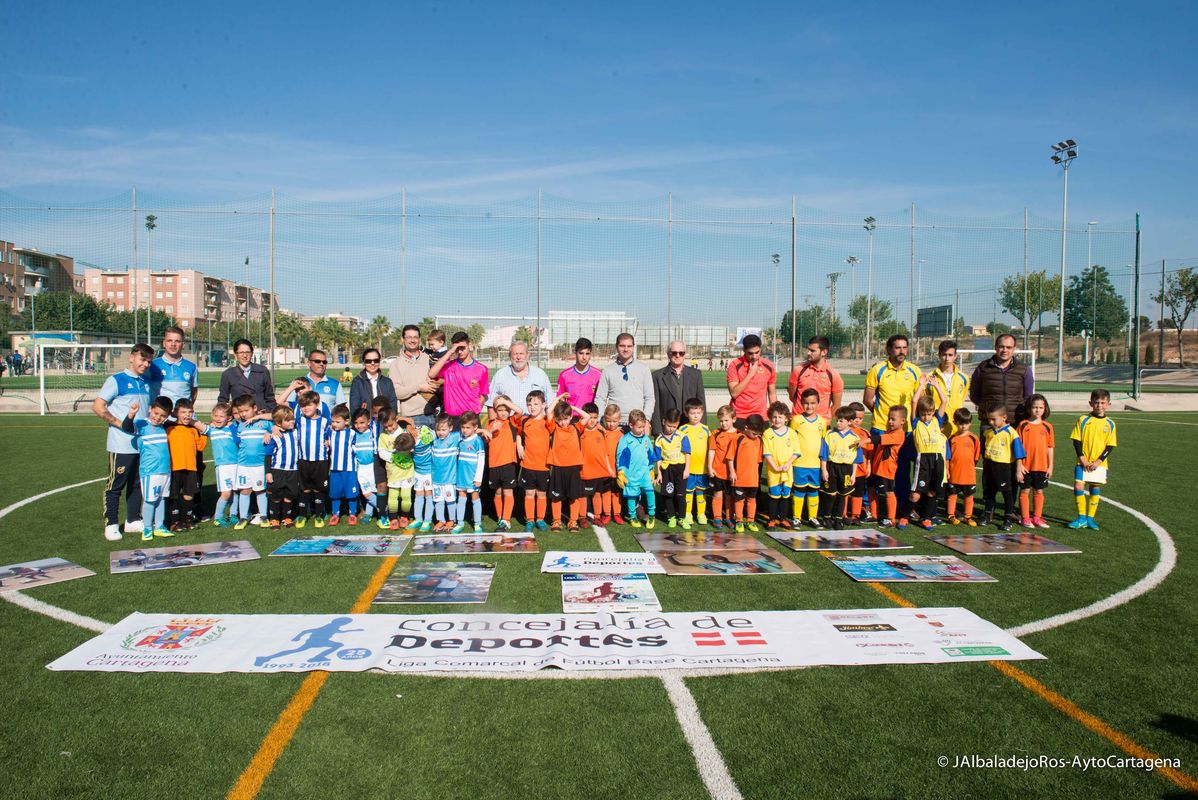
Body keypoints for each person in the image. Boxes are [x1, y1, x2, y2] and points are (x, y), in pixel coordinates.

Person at [93, 343, 154, 541]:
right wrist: (120, 424)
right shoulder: (116, 380)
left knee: (137, 484)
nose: (145, 364)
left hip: (141, 444)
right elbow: (98, 406)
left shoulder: (146, 382)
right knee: (115, 484)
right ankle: (111, 524)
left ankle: (132, 520)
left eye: (149, 361)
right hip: (121, 444)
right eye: (142, 359)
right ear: (132, 357)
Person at [120, 396, 176, 540]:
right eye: (156, 413)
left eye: (163, 415)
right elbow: (126, 427)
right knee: (150, 500)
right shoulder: (142, 424)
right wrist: (131, 413)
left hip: (165, 470)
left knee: (161, 499)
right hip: (150, 471)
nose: (158, 418)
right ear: (150, 409)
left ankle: (159, 526)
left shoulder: (164, 427)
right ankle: (147, 528)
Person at [898, 385, 949, 532]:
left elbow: (944, 401)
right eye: (923, 414)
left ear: (933, 412)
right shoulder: (916, 423)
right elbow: (914, 401)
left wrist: (936, 385)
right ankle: (904, 516)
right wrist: (921, 385)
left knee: (932, 491)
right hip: (923, 460)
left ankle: (926, 518)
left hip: (937, 459)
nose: (926, 417)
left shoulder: (937, 421)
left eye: (929, 414)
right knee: (915, 494)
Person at [1068, 389, 1117, 530]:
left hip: (1099, 464)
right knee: (1078, 486)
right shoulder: (1083, 420)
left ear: (1108, 404)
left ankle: (1090, 518)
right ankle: (1081, 518)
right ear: (1091, 403)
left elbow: (1110, 446)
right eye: (1096, 402)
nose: (1099, 405)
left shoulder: (1110, 424)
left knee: (1094, 488)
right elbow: (1076, 441)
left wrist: (1098, 461)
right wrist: (1082, 459)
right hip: (1082, 462)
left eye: (1102, 402)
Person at [968, 333, 1034, 427]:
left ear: (1014, 348)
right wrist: (987, 408)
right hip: (990, 422)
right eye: (1001, 347)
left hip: (1016, 421)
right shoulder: (983, 368)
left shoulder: (1024, 369)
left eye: (1008, 347)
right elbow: (974, 394)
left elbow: (1028, 397)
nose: (1004, 350)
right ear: (996, 348)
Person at [980, 404, 1026, 531]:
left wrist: (1018, 470)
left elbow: (1019, 454)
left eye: (994, 419)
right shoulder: (988, 432)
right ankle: (988, 514)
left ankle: (1008, 518)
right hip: (990, 466)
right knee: (989, 492)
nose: (991, 422)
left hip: (1004, 468)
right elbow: (984, 450)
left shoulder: (1011, 433)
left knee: (1007, 494)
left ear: (1004, 417)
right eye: (989, 419)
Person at [863, 334, 922, 433]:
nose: (902, 351)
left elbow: (920, 399)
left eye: (904, 348)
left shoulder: (915, 371)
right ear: (889, 350)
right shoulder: (877, 370)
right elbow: (867, 400)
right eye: (898, 348)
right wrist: (880, 414)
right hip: (882, 427)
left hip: (906, 427)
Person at [547, 397, 590, 531]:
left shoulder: (577, 427)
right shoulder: (554, 428)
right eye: (559, 419)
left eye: (565, 419)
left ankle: (573, 521)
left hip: (573, 468)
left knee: (574, 496)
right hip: (558, 468)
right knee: (556, 497)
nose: (563, 422)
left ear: (571, 417)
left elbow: (587, 416)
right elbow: (549, 412)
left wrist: (573, 408)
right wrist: (558, 399)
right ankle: (557, 521)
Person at [231, 394, 273, 529]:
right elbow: (239, 442)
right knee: (245, 491)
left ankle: (263, 516)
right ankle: (243, 517)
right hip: (243, 465)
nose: (243, 414)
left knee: (260, 491)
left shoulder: (265, 423)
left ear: (254, 408)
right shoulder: (240, 426)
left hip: (260, 465)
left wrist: (270, 433)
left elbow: (276, 418)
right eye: (240, 412)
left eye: (246, 410)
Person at [819, 406, 865, 530]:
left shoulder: (855, 438)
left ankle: (839, 519)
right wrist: (824, 470)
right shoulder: (829, 435)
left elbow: (856, 459)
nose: (838, 423)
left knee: (842, 496)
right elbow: (823, 454)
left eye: (841, 421)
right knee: (830, 495)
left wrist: (854, 474)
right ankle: (827, 518)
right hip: (832, 467)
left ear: (849, 422)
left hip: (846, 470)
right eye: (837, 420)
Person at [165, 398, 207, 530]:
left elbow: (200, 447)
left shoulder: (193, 430)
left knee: (189, 495)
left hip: (191, 467)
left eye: (190, 412)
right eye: (183, 412)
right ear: (176, 413)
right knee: (174, 494)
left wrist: (204, 433)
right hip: (174, 467)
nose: (187, 415)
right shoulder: (169, 428)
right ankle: (174, 521)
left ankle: (185, 520)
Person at [290, 390, 330, 529]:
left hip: (320, 461)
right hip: (303, 461)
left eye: (309, 405)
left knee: (319, 489)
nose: (306, 408)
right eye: (302, 406)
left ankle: (319, 515)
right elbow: (282, 423)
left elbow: (332, 436)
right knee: (304, 489)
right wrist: (275, 428)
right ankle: (302, 515)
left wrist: (329, 442)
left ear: (317, 405)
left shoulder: (325, 422)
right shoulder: (298, 421)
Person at [596, 333, 654, 425]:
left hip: (637, 424)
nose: (626, 349)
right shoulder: (607, 370)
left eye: (629, 346)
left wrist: (646, 420)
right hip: (614, 424)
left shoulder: (644, 369)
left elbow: (649, 398)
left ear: (633, 347)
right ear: (616, 347)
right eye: (622, 346)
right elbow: (600, 398)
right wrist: (600, 420)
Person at [428, 332, 489, 419]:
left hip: (471, 419)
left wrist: (475, 413)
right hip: (452, 418)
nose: (459, 352)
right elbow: (431, 374)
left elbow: (483, 394)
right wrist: (450, 352)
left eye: (462, 348)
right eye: (457, 349)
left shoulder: (482, 369)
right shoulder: (448, 366)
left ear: (470, 345)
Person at [789, 388, 827, 527]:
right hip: (799, 463)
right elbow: (791, 440)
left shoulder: (822, 422)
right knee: (799, 490)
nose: (809, 406)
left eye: (812, 403)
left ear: (818, 403)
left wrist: (824, 465)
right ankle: (796, 517)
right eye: (806, 403)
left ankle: (812, 517)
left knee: (813, 490)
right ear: (801, 403)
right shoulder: (796, 420)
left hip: (816, 464)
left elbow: (824, 444)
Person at [651, 340, 706, 435]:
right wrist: (657, 431)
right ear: (668, 354)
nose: (677, 355)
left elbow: (701, 402)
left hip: (691, 429)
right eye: (674, 352)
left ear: (685, 354)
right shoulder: (657, 376)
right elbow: (655, 406)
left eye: (681, 353)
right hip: (668, 429)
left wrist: (703, 428)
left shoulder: (695, 374)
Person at [616, 409, 659, 528]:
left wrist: (651, 470)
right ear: (631, 425)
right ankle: (632, 516)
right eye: (639, 427)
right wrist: (621, 472)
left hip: (645, 474)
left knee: (650, 494)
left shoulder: (646, 439)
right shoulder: (625, 440)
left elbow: (650, 455)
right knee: (632, 496)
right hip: (631, 475)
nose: (642, 430)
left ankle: (651, 516)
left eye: (643, 427)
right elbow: (621, 457)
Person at [1017, 394, 1054, 529]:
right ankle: (1025, 518)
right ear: (1029, 408)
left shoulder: (1048, 426)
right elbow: (1018, 448)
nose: (1037, 410)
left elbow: (1050, 447)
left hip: (1042, 466)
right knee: (1025, 491)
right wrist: (1020, 465)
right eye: (1034, 407)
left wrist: (1050, 467)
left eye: (1040, 407)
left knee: (1039, 491)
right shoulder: (1023, 425)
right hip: (1026, 467)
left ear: (1045, 409)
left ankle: (1037, 518)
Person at [761, 401, 800, 530]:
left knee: (785, 495)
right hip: (774, 471)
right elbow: (767, 453)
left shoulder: (792, 433)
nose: (777, 420)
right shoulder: (767, 433)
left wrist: (788, 464)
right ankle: (772, 519)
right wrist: (775, 467)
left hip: (787, 471)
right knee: (774, 495)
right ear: (770, 418)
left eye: (780, 417)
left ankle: (783, 519)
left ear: (786, 418)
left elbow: (796, 452)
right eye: (774, 417)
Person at [516, 390, 552, 531]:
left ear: (543, 404)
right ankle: (530, 520)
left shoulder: (547, 421)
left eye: (536, 404)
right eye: (529, 404)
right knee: (529, 493)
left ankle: (540, 519)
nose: (532, 407)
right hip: (528, 465)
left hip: (543, 466)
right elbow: (519, 433)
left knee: (541, 494)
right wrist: (519, 445)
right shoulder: (525, 420)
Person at [389, 324, 437, 429]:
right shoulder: (396, 364)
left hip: (435, 414)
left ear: (419, 339)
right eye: (409, 337)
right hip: (412, 418)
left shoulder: (429, 359)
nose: (412, 340)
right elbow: (396, 393)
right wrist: (419, 387)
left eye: (415, 337)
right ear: (402, 339)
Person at [787, 336, 843, 422]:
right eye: (808, 349)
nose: (808, 353)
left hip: (821, 426)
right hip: (798, 423)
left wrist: (823, 421)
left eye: (812, 351)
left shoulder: (833, 375)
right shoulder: (798, 370)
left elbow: (836, 404)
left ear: (824, 352)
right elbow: (792, 396)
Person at [486, 395, 521, 531]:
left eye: (506, 409)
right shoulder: (491, 423)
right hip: (494, 464)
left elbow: (520, 411)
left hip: (508, 463)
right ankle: (501, 517)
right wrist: (490, 430)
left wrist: (505, 401)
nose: (503, 412)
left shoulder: (512, 421)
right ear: (495, 410)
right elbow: (485, 440)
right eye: (500, 410)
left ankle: (506, 520)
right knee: (498, 493)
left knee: (508, 492)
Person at [868, 407, 907, 528]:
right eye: (889, 418)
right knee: (871, 489)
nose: (890, 421)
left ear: (902, 421)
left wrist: (863, 440)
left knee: (888, 492)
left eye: (893, 419)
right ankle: (874, 515)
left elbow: (878, 439)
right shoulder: (888, 432)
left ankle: (891, 519)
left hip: (886, 469)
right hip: (876, 468)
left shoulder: (899, 435)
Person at [489, 340, 553, 414]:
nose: (518, 357)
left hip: (535, 423)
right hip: (509, 423)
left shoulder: (540, 375)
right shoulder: (500, 375)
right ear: (510, 356)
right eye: (515, 354)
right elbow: (490, 404)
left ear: (527, 355)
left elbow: (549, 403)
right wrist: (493, 423)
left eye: (521, 353)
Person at [377, 409, 416, 530]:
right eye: (385, 426)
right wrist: (392, 457)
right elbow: (381, 452)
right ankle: (393, 518)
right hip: (393, 472)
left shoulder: (405, 432)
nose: (389, 428)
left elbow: (413, 444)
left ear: (396, 420)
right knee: (392, 497)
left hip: (407, 471)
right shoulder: (383, 436)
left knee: (406, 496)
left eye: (391, 425)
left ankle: (404, 516)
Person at [727, 413, 766, 533]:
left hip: (753, 479)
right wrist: (732, 472)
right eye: (754, 433)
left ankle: (750, 520)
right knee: (739, 500)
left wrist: (756, 477)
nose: (756, 436)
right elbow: (730, 458)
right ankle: (739, 521)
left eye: (758, 434)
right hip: (739, 478)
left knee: (752, 500)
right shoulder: (737, 439)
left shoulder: (759, 440)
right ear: (746, 428)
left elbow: (758, 461)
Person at [726, 334, 777, 424]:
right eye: (750, 353)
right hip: (739, 416)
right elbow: (734, 393)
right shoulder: (734, 365)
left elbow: (772, 394)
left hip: (761, 416)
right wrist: (750, 374)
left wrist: (776, 414)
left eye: (757, 352)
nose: (754, 356)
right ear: (744, 350)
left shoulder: (769, 366)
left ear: (760, 349)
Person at [654, 408, 690, 529]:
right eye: (669, 425)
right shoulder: (659, 439)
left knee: (681, 495)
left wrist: (687, 469)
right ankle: (672, 517)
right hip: (667, 470)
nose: (671, 428)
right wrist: (659, 473)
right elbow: (658, 458)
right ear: (664, 422)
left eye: (674, 426)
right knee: (668, 494)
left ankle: (682, 518)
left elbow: (687, 453)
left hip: (680, 469)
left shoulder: (682, 436)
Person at [579, 402, 614, 526]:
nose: (592, 421)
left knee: (597, 494)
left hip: (598, 471)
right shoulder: (580, 432)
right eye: (590, 417)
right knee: (582, 494)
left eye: (595, 418)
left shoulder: (601, 432)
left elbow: (604, 453)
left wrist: (609, 469)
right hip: (584, 470)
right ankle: (582, 517)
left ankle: (597, 516)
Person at [945, 408, 982, 526]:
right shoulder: (951, 439)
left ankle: (968, 516)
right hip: (954, 473)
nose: (963, 426)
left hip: (968, 474)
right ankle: (951, 515)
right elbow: (947, 457)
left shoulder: (974, 438)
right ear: (955, 423)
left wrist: (970, 467)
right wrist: (947, 470)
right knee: (952, 495)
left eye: (966, 423)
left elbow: (976, 457)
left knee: (968, 496)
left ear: (970, 423)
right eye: (961, 423)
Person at [265, 406, 300, 528]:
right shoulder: (274, 436)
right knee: (276, 495)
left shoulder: (295, 432)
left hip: (292, 470)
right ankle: (274, 519)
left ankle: (287, 518)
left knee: (289, 495)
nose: (292, 422)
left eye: (292, 419)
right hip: (278, 470)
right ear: (279, 423)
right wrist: (268, 472)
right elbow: (268, 455)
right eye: (288, 420)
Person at [678, 398, 711, 528]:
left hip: (702, 469)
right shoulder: (683, 429)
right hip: (688, 469)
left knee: (701, 492)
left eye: (698, 412)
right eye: (692, 413)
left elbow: (711, 449)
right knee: (688, 492)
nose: (696, 415)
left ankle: (701, 514)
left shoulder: (706, 430)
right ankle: (688, 513)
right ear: (687, 414)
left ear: (702, 413)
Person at [218, 339, 276, 412]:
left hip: (261, 417)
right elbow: (222, 400)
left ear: (252, 353)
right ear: (235, 354)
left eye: (247, 352)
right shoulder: (228, 374)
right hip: (240, 418)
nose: (245, 355)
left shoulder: (262, 371)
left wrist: (269, 414)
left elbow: (270, 398)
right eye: (241, 352)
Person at [285, 349, 347, 418]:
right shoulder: (299, 382)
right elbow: (287, 408)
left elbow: (342, 410)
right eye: (317, 361)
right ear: (309, 363)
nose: (321, 364)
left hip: (327, 427)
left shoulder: (335, 384)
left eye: (324, 362)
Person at [148, 326, 199, 408]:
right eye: (169, 340)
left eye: (177, 341)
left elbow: (194, 393)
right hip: (161, 418)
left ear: (183, 345)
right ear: (164, 343)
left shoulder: (191, 367)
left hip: (183, 418)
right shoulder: (153, 365)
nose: (173, 344)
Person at [926, 340, 970, 436]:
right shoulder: (930, 377)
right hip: (938, 426)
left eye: (950, 355)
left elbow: (961, 399)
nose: (947, 358)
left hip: (957, 426)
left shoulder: (964, 378)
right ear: (939, 355)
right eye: (944, 355)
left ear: (955, 356)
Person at [208, 403, 241, 527]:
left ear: (229, 418)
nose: (217, 418)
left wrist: (232, 426)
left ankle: (233, 514)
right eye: (215, 415)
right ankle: (218, 517)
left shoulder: (232, 429)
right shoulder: (212, 430)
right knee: (226, 493)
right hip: (223, 466)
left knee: (235, 491)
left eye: (221, 416)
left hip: (236, 464)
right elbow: (198, 425)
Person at [325, 405, 359, 525]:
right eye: (333, 421)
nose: (334, 424)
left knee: (351, 493)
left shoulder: (352, 433)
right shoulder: (330, 432)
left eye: (338, 422)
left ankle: (352, 513)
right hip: (334, 469)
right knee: (335, 493)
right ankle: (335, 514)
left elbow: (356, 448)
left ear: (346, 421)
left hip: (349, 469)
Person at [454, 412, 487, 533]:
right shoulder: (460, 439)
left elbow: (481, 461)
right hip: (461, 476)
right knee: (461, 498)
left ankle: (477, 523)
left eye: (468, 428)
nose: (465, 430)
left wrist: (478, 478)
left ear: (475, 428)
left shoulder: (478, 441)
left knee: (475, 498)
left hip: (473, 477)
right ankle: (460, 523)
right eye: (463, 427)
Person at [430, 413, 461, 531]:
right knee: (438, 500)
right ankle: (441, 520)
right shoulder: (434, 440)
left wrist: (483, 431)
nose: (441, 432)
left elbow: (468, 432)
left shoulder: (454, 438)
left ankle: (451, 520)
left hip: (450, 479)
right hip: (436, 479)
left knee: (450, 500)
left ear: (451, 428)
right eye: (438, 430)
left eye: (443, 430)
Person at [708, 406, 737, 530]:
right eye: (721, 421)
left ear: (733, 419)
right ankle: (717, 518)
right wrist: (709, 466)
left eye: (726, 420)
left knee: (730, 496)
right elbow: (711, 451)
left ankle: (729, 517)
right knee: (718, 494)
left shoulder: (739, 434)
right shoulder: (715, 433)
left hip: (732, 473)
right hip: (718, 470)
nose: (723, 423)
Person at [351, 408, 380, 524]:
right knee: (366, 492)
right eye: (356, 423)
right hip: (361, 468)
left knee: (372, 491)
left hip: (372, 467)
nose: (359, 426)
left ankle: (369, 513)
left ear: (368, 421)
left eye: (362, 422)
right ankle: (382, 507)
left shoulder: (373, 432)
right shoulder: (353, 434)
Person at [557, 338, 603, 410]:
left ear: (591, 354)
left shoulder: (599, 375)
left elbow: (602, 398)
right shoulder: (564, 375)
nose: (584, 357)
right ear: (575, 353)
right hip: (572, 418)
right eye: (581, 353)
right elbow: (560, 399)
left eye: (587, 354)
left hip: (591, 418)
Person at [349, 347, 397, 415]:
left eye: (376, 360)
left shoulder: (387, 382)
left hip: (384, 423)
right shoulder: (357, 382)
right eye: (368, 361)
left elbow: (393, 406)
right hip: (365, 424)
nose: (372, 363)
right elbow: (354, 408)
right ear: (363, 362)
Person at [601, 404, 626, 525]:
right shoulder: (602, 432)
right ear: (605, 419)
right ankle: (606, 513)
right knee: (605, 492)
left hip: (617, 470)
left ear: (619, 419)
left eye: (614, 421)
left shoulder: (622, 434)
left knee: (616, 493)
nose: (611, 424)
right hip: (605, 469)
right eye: (608, 421)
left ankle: (617, 513)